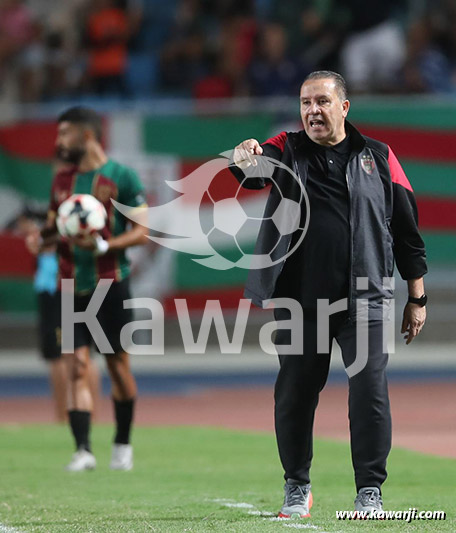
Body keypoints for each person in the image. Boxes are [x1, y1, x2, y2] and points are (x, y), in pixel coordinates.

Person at [231, 71, 427, 516]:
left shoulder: (379, 156)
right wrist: (245, 156)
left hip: (367, 297)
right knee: (295, 394)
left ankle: (370, 491)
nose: (312, 111)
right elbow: (254, 171)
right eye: (305, 103)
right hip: (301, 301)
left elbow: (408, 232)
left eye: (321, 101)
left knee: (369, 391)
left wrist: (417, 297)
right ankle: (297, 485)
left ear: (344, 107)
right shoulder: (286, 148)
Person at [30, 106, 148, 471]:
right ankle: (83, 450)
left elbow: (142, 231)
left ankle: (123, 442)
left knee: (116, 367)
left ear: (86, 136)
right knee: (77, 367)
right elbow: (54, 225)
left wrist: (104, 246)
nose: (58, 141)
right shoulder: (62, 181)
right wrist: (42, 236)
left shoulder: (121, 176)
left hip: (109, 284)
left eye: (64, 133)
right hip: (70, 286)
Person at [14, 206, 101, 423]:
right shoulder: (72, 224)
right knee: (83, 355)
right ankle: (89, 414)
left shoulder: (53, 233)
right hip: (76, 290)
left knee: (60, 357)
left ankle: (63, 417)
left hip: (58, 293)